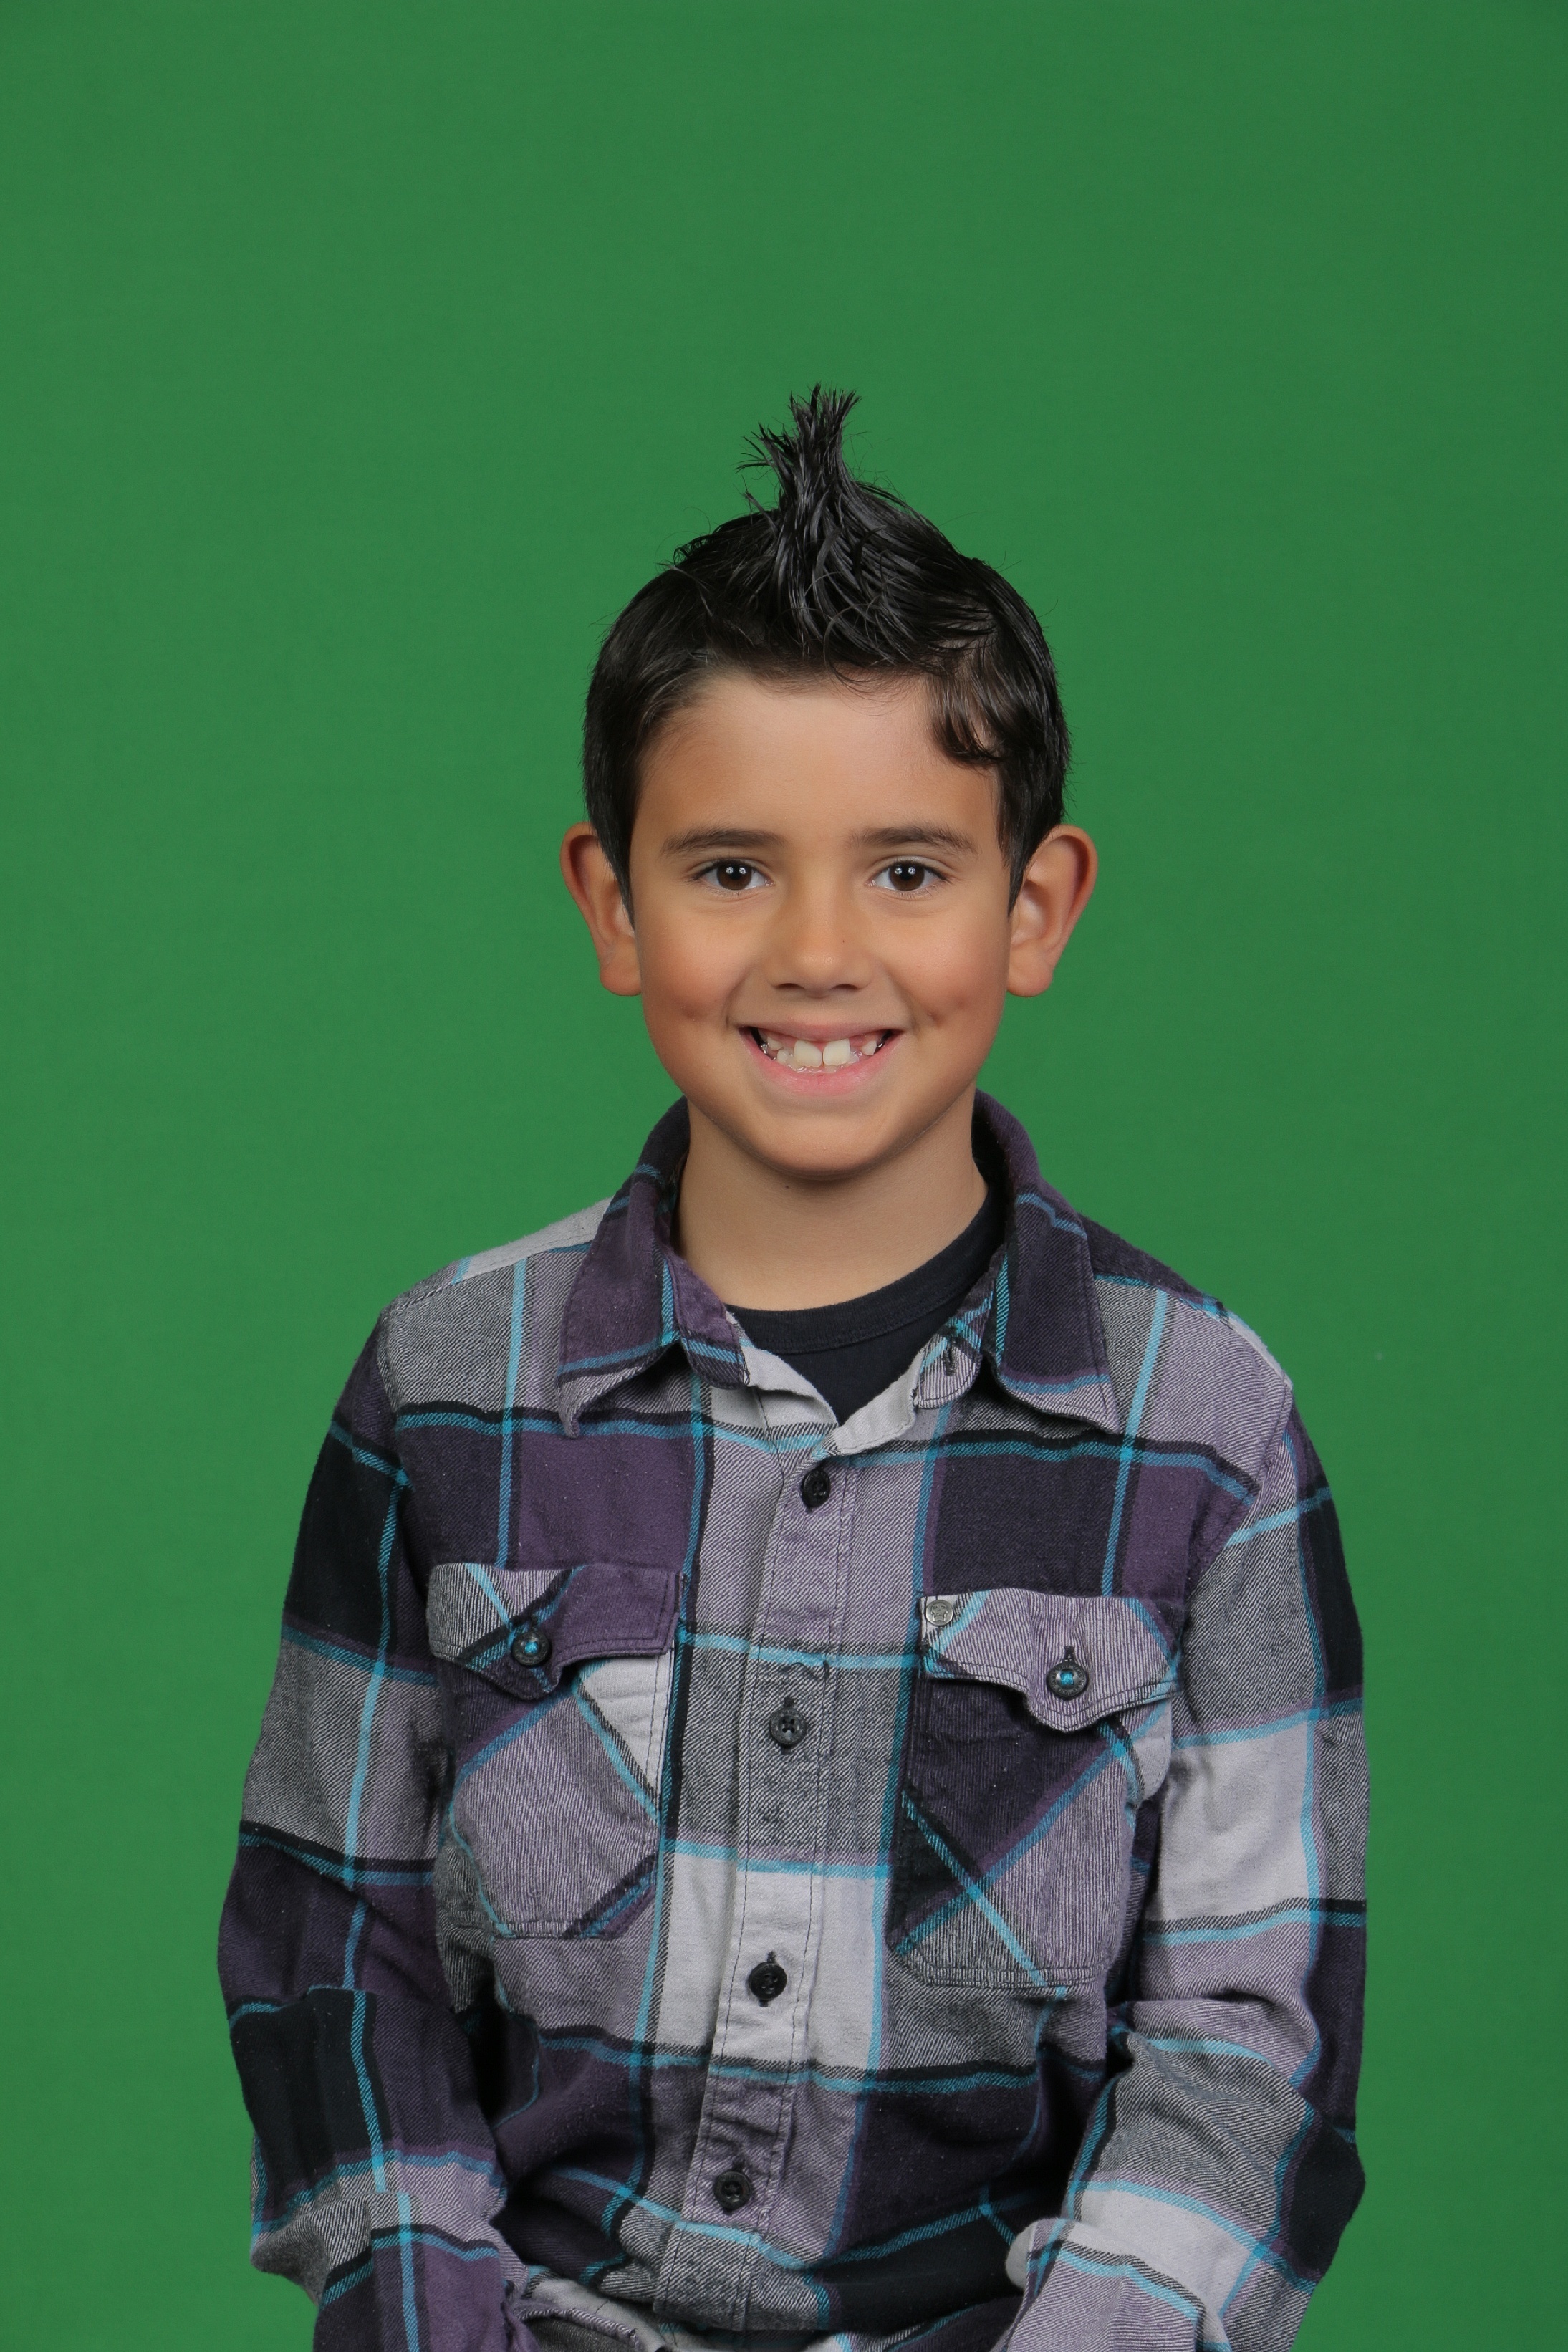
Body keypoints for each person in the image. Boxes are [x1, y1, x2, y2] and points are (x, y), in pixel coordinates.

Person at [219, 390, 1365, 2352]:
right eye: (733, 868)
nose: (820, 951)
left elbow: (1249, 2058)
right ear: (613, 903)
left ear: (1036, 908)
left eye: (908, 871)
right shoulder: (446, 1389)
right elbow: (338, 1958)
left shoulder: (1209, 1435)